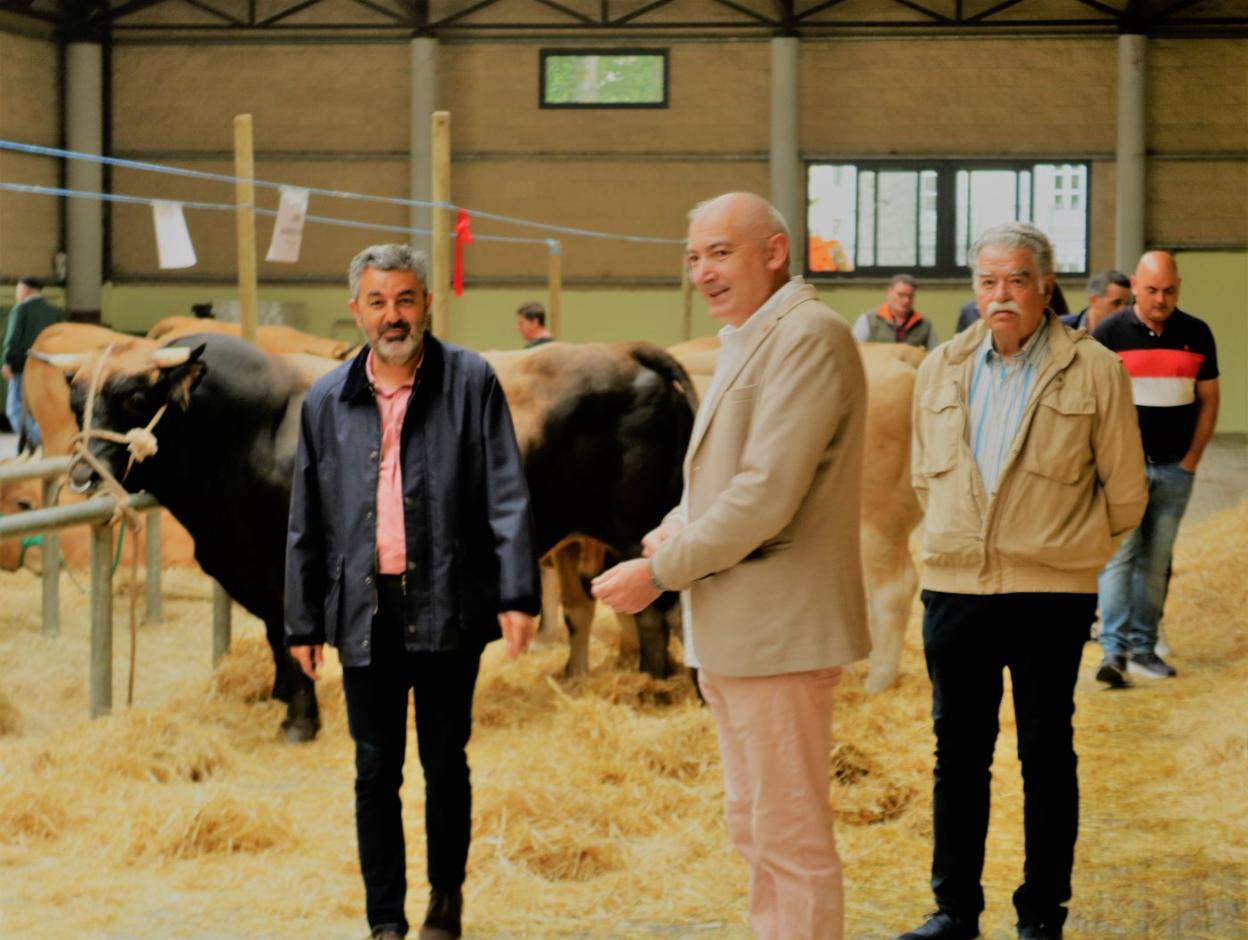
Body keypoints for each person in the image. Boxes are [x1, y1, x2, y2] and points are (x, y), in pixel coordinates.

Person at [592, 192, 870, 940]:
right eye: (692, 257)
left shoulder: (808, 336)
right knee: (755, 826)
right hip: (741, 631)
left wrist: (661, 571)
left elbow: (767, 492)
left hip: (778, 631)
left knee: (790, 836)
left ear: (774, 252)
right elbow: (732, 476)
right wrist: (677, 522)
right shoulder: (753, 337)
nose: (702, 271)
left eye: (719, 252)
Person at [285, 244, 541, 940]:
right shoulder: (325, 400)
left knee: (443, 761)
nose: (392, 315)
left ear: (428, 302)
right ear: (358, 310)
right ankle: (385, 920)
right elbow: (307, 519)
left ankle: (445, 905)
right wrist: (302, 622)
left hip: (448, 602)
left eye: (404, 299)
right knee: (374, 770)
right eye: (378, 301)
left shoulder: (470, 382)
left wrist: (518, 592)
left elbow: (506, 494)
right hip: (365, 610)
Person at [900, 222, 1146, 940]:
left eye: (1015, 281)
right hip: (957, 591)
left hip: (1050, 595)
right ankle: (955, 910)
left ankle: (1041, 913)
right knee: (958, 756)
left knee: (1045, 750)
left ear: (1045, 286)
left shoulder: (1096, 371)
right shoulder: (939, 369)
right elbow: (924, 476)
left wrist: (1067, 554)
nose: (1000, 295)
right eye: (987, 282)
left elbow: (1126, 493)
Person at [1092, 251, 1219, 686]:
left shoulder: (1197, 333)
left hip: (1174, 471)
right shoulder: (1108, 333)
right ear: (1134, 286)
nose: (1160, 299)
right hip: (1124, 472)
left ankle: (1145, 649)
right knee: (1119, 560)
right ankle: (1113, 653)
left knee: (1155, 562)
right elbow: (1094, 405)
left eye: (1168, 290)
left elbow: (1209, 402)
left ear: (1178, 286)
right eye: (1151, 290)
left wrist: (1191, 460)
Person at [2, 277, 64, 446]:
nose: (17, 294)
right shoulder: (55, 312)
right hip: (48, 366)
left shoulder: (20, 309)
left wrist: (7, 362)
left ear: (25, 290)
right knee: (41, 407)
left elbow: (13, 339)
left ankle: (35, 440)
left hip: (23, 365)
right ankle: (43, 438)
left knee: (14, 408)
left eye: (18, 290)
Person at [851, 273, 939, 349]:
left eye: (910, 296)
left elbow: (934, 354)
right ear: (889, 292)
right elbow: (853, 351)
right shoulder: (869, 319)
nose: (906, 300)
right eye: (901, 295)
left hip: (911, 368)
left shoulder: (924, 324)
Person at [1061, 270, 1131, 333]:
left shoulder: (1128, 333)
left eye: (1127, 304)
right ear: (1093, 300)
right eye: (1117, 303)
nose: (1124, 310)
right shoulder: (1062, 327)